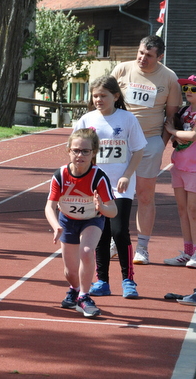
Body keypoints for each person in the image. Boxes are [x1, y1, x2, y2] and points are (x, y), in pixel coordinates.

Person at [111, 35, 182, 264]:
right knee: (115, 193)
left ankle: (142, 248)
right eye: (141, 52)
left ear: (159, 57)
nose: (142, 58)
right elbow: (104, 100)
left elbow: (171, 116)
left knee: (144, 195)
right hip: (118, 141)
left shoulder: (169, 78)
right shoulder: (122, 70)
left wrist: (160, 144)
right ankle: (114, 241)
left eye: (149, 55)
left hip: (149, 140)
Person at [74, 76, 146, 298]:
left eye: (103, 96)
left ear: (115, 96)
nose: (98, 99)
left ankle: (128, 280)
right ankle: (102, 281)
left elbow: (138, 150)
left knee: (119, 231)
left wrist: (127, 175)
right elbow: (75, 150)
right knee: (100, 234)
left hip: (120, 184)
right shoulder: (86, 120)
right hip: (95, 186)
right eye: (95, 96)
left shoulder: (127, 119)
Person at [45, 128, 117, 318]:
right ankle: (75, 289)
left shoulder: (98, 177)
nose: (80, 155)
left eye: (85, 151)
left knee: (86, 251)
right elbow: (49, 206)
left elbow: (113, 211)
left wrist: (101, 207)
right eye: (76, 150)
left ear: (93, 153)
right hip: (67, 221)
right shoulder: (60, 175)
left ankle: (84, 297)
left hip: (92, 220)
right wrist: (56, 225)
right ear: (68, 150)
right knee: (70, 272)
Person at [163, 75, 196, 268]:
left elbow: (192, 135)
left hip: (194, 169)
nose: (189, 92)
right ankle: (188, 251)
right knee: (182, 210)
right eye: (186, 88)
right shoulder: (183, 111)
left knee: (193, 211)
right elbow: (179, 137)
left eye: (193, 89)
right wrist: (177, 136)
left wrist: (174, 132)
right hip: (179, 166)